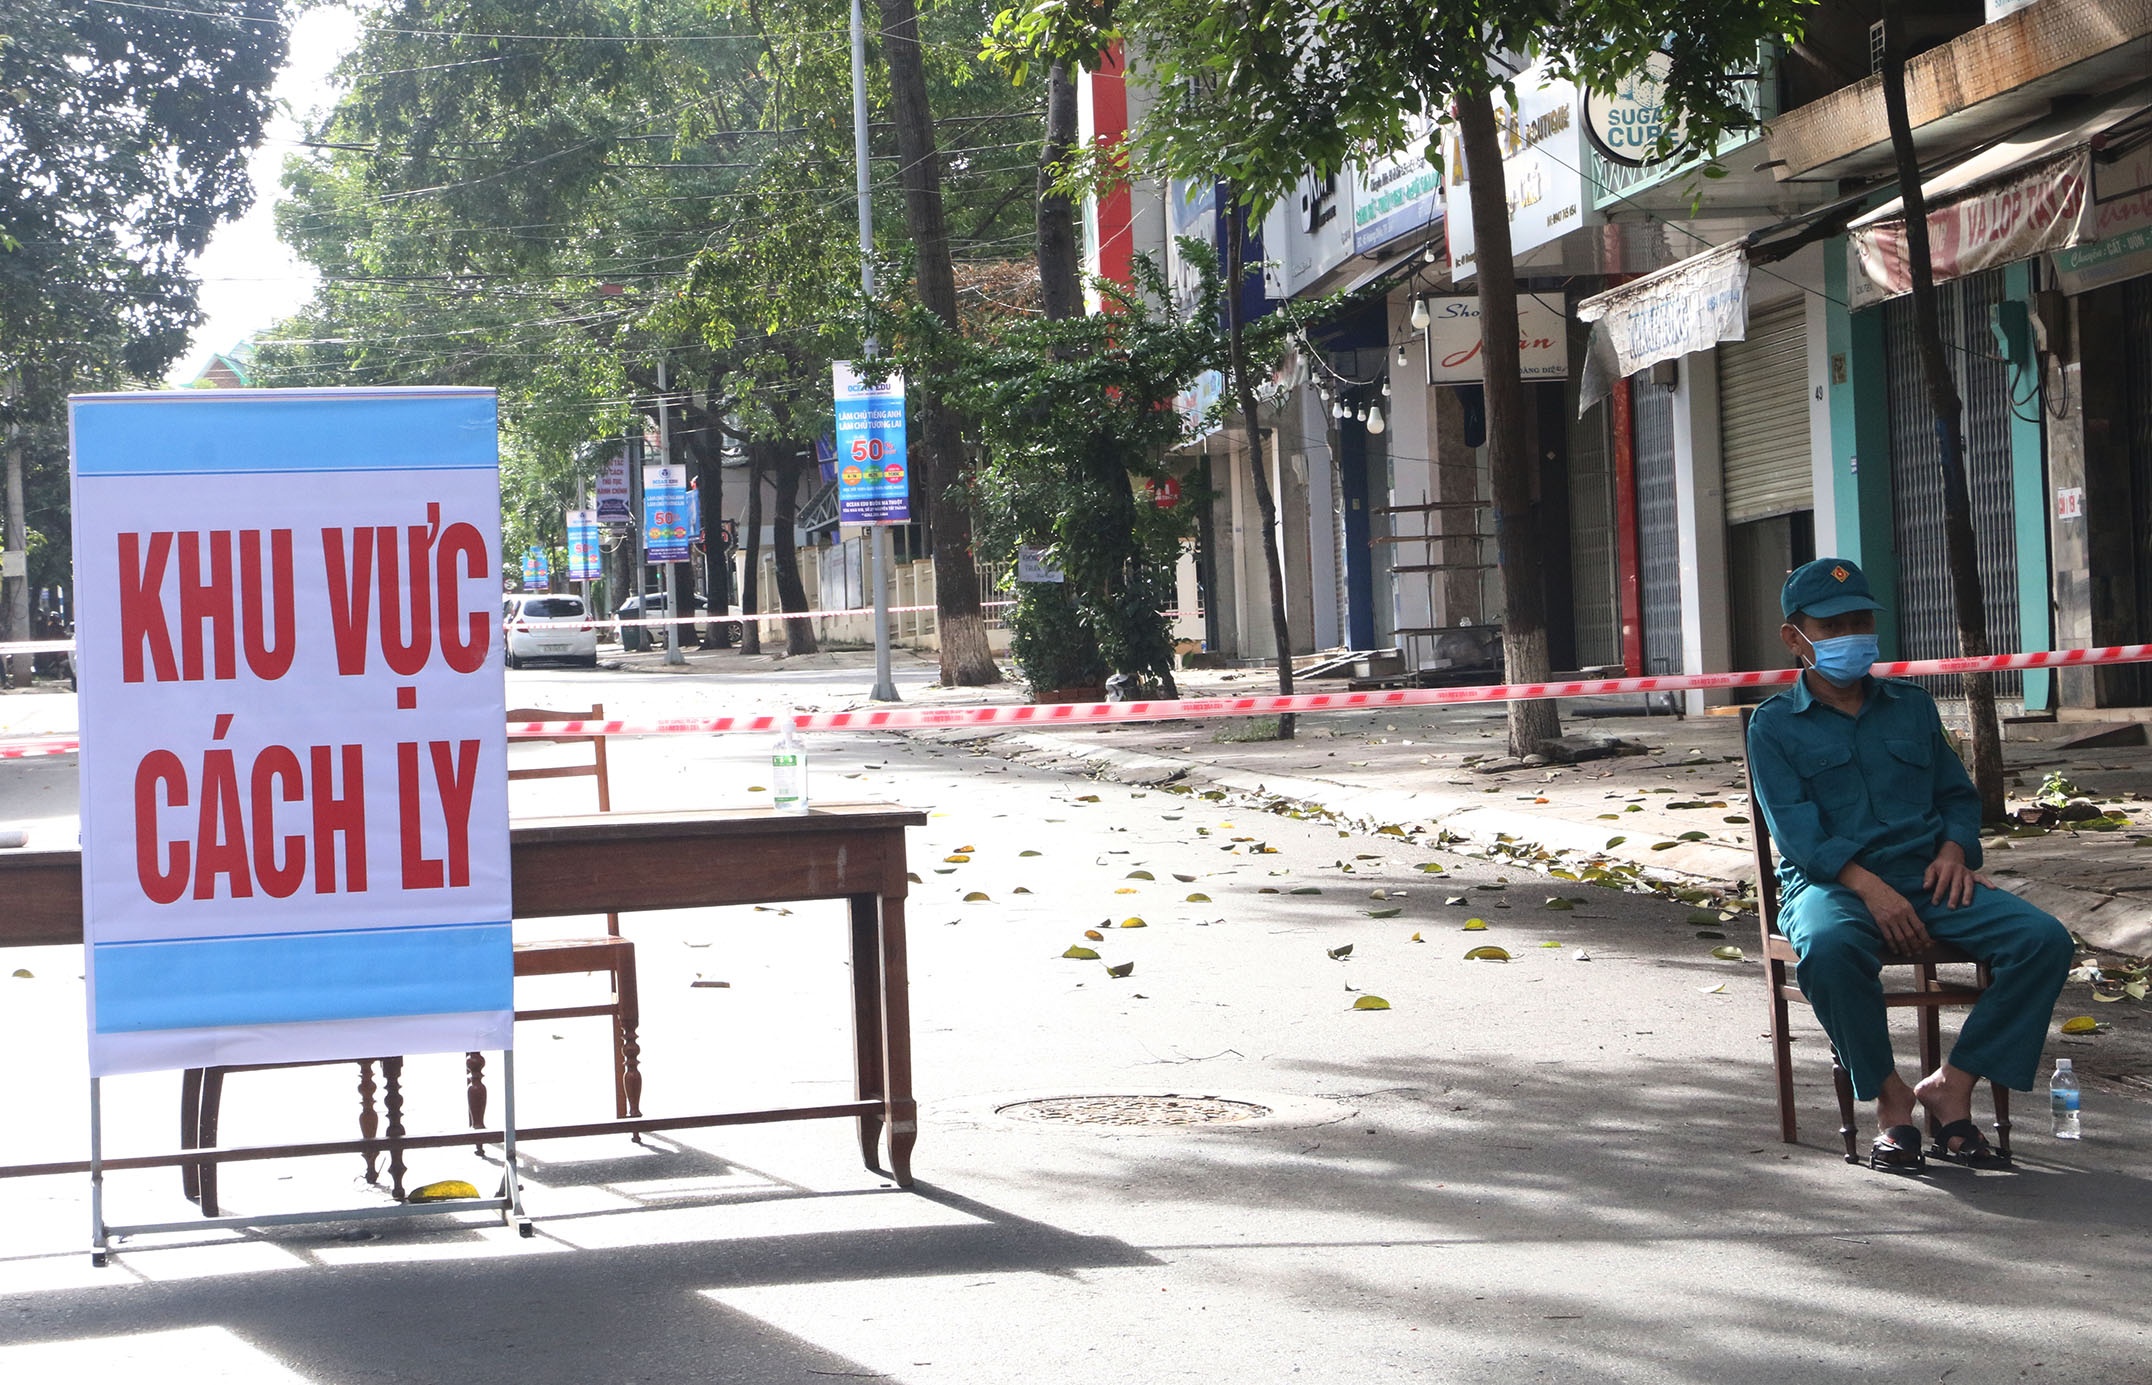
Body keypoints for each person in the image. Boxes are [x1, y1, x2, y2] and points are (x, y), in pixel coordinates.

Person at [1746, 557, 2072, 1170]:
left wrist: (1954, 850)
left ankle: (1953, 1083)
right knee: (1828, 948)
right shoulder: (1773, 725)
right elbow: (1796, 834)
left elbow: (1956, 798)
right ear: (1795, 638)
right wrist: (1870, 889)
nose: (1851, 635)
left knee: (2043, 940)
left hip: (1928, 879)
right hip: (1832, 886)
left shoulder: (1913, 706)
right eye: (1832, 626)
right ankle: (1891, 1101)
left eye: (1861, 621)